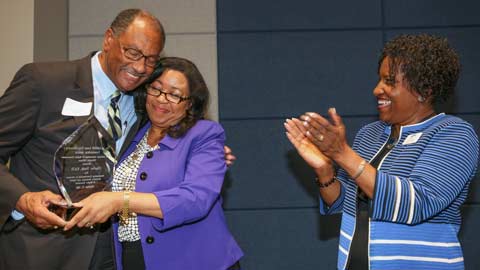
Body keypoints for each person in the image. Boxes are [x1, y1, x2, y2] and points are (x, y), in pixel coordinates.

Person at [0, 9, 235, 270]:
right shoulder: (43, 82)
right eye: (132, 53)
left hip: (114, 254)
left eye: (150, 60)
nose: (139, 67)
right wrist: (23, 200)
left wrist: (206, 154)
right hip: (44, 250)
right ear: (108, 39)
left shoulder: (142, 101)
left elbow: (170, 146)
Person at [285, 34, 479, 269]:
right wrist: (325, 170)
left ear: (424, 91)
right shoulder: (370, 134)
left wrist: (343, 154)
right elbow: (343, 202)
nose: (377, 90)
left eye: (389, 81)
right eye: (379, 80)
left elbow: (416, 204)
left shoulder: (453, 134)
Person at [61, 57, 243, 270]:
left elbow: (196, 199)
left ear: (190, 103)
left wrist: (121, 201)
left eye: (174, 95)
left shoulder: (204, 134)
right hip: (134, 258)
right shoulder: (131, 136)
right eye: (156, 89)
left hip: (195, 260)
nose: (162, 99)